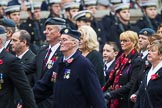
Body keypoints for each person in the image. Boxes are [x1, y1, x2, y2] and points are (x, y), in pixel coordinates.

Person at [33, 27, 107, 108]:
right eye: (60, 40)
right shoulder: (59, 62)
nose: (61, 42)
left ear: (75, 43)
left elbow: (95, 94)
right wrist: (26, 101)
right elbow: (44, 86)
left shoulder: (83, 64)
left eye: (64, 40)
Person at [30, 17, 65, 108]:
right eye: (46, 29)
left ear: (59, 32)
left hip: (54, 102)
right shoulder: (43, 50)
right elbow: (30, 68)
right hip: (38, 102)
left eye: (49, 29)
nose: (45, 32)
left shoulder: (63, 52)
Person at [103, 30, 143, 108]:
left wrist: (112, 94)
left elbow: (132, 83)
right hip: (115, 98)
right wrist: (101, 90)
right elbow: (111, 79)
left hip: (126, 101)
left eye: (125, 41)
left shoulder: (137, 60)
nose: (122, 43)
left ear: (133, 42)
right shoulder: (121, 58)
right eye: (121, 40)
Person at [0, 26, 37, 108]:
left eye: (14, 40)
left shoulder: (33, 60)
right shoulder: (10, 57)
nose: (11, 43)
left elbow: (28, 87)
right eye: (11, 40)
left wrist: (22, 102)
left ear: (24, 42)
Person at [134, 39, 162, 108]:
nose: (149, 52)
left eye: (153, 51)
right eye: (149, 50)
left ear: (161, 55)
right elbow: (140, 98)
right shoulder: (147, 71)